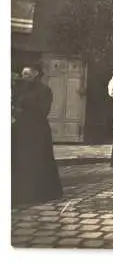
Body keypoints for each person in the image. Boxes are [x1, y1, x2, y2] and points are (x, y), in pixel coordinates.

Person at [12, 64, 63, 206]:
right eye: (23, 74)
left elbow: (42, 111)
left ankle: (41, 193)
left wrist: (20, 112)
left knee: (38, 160)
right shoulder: (18, 89)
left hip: (37, 131)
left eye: (28, 74)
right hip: (19, 130)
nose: (24, 77)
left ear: (36, 74)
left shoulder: (44, 90)